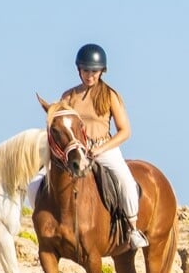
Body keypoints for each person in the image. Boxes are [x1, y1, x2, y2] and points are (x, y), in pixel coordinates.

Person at [59, 43, 148, 251]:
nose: (89, 75)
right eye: (85, 70)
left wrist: (101, 148)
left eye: (94, 71)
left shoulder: (109, 95)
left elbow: (125, 131)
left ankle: (133, 229)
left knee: (125, 182)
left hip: (103, 148)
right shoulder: (68, 96)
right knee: (38, 181)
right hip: (76, 151)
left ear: (101, 72)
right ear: (79, 70)